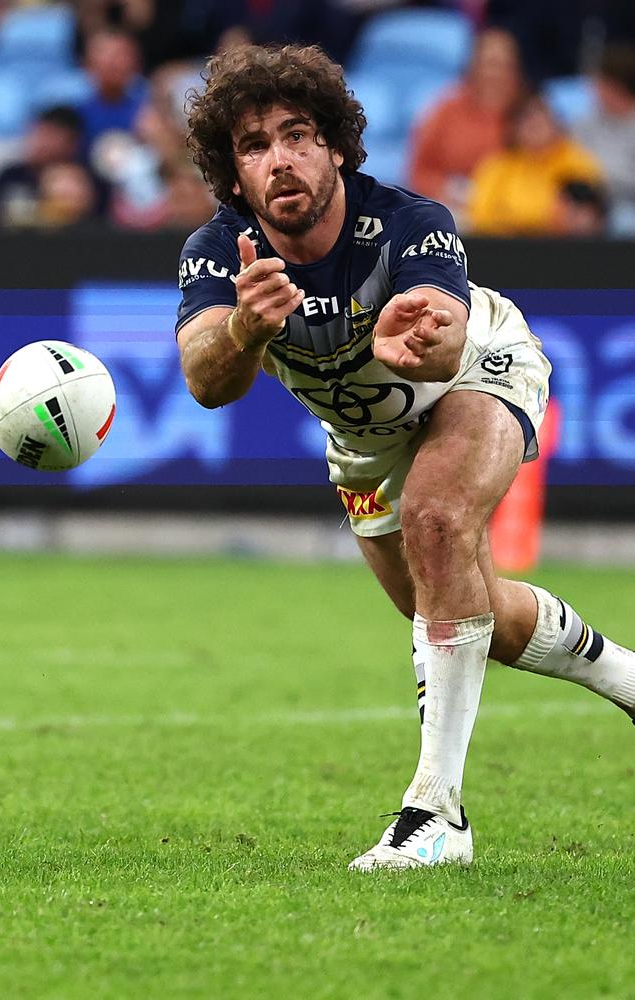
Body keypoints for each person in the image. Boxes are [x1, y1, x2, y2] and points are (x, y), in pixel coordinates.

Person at [176, 43, 635, 870]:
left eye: (298, 133)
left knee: (437, 517)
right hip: (362, 445)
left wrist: (418, 338)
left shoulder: (408, 222)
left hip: (479, 369)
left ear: (337, 145)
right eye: (253, 145)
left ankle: (436, 815)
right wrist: (244, 328)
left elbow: (446, 324)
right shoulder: (220, 251)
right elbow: (206, 379)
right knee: (465, 614)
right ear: (232, 172)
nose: (280, 158)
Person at [406, 28, 526, 226]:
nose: (496, 73)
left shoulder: (530, 111)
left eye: (505, 65)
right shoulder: (445, 110)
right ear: (473, 66)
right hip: (456, 209)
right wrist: (448, 190)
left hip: (517, 215)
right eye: (490, 64)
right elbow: (419, 171)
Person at [468, 93, 602, 235]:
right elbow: (480, 216)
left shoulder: (578, 162)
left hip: (561, 247)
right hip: (506, 246)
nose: (534, 125)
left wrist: (516, 218)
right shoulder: (497, 166)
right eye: (525, 120)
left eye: (541, 118)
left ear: (556, 123)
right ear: (513, 128)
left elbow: (585, 217)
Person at [575, 43, 635, 236]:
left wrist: (599, 175)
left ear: (617, 86)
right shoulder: (584, 124)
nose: (593, 88)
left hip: (627, 205)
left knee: (625, 220)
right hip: (590, 204)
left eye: (600, 82)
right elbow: (574, 167)